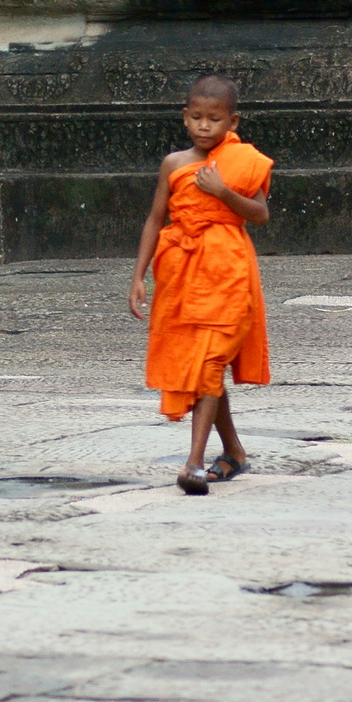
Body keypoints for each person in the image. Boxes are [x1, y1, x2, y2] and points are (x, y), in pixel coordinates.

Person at [131, 74, 274, 496]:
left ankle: (193, 462)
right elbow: (156, 219)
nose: (204, 126)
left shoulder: (245, 161)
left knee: (209, 364)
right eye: (196, 117)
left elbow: (260, 214)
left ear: (233, 121)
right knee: (198, 367)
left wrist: (223, 192)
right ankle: (233, 452)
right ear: (184, 117)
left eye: (214, 119)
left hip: (228, 271)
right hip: (181, 273)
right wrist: (139, 275)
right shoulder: (174, 163)